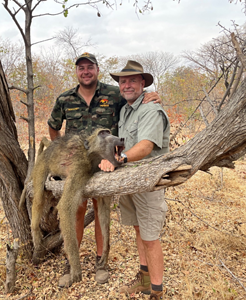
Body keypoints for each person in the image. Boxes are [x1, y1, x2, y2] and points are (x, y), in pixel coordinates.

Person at [47, 53, 161, 287]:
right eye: (81, 68)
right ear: (76, 71)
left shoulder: (113, 93)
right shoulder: (65, 98)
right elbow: (53, 127)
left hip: (105, 163)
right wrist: (60, 156)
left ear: (97, 69)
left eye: (90, 67)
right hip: (76, 166)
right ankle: (72, 263)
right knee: (75, 211)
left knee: (102, 211)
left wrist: (153, 95)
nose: (86, 71)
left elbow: (135, 103)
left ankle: (102, 262)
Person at [99, 60, 170, 300]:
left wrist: (119, 160)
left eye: (132, 80)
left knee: (150, 237)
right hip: (130, 180)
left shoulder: (151, 109)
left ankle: (157, 292)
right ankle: (145, 278)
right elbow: (123, 142)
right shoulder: (125, 109)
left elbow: (146, 146)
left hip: (148, 181)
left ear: (143, 83)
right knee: (139, 230)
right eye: (123, 81)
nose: (127, 85)